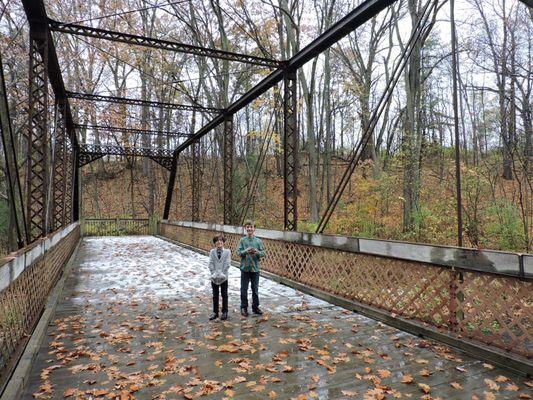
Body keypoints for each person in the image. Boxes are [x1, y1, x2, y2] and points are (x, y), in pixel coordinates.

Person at [236, 220, 265, 317]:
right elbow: (239, 253)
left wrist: (257, 252)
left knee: (255, 289)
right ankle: (243, 307)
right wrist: (246, 251)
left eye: (251, 227)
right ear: (245, 228)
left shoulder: (258, 241)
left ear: (254, 228)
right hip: (245, 268)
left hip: (255, 269)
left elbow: (263, 253)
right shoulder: (242, 240)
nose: (249, 228)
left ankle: (255, 307)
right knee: (244, 289)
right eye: (247, 227)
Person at [208, 235, 231, 321]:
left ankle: (225, 312)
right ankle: (215, 312)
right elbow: (211, 263)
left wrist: (222, 273)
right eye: (217, 241)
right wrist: (213, 273)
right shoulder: (212, 252)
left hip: (224, 277)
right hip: (214, 277)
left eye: (221, 241)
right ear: (215, 243)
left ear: (223, 242)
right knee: (215, 295)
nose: (219, 242)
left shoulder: (227, 252)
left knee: (224, 295)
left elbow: (227, 263)